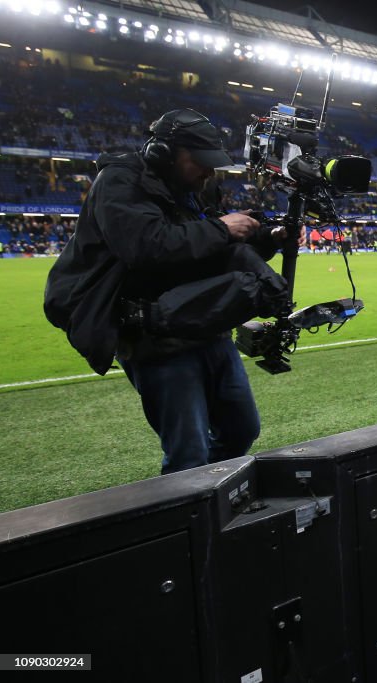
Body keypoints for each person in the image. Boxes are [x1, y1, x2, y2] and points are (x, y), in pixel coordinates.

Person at [43, 108, 292, 475]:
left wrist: (267, 238)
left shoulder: (196, 187)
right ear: (164, 153)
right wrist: (223, 229)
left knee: (241, 429)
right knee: (187, 453)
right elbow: (146, 247)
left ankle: (212, 499)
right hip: (154, 336)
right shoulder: (120, 182)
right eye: (200, 162)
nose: (209, 172)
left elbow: (205, 252)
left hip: (204, 321)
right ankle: (192, 514)